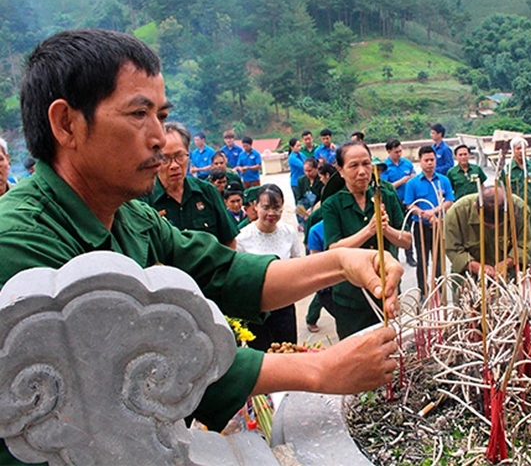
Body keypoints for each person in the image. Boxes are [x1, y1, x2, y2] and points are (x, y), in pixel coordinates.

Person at [0, 29, 401, 465]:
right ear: (67, 124)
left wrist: (341, 262)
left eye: (161, 115)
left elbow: (225, 273)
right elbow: (153, 366)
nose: (159, 137)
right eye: (139, 114)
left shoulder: (131, 217)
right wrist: (320, 369)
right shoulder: (20, 244)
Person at [322, 142, 412, 339]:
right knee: (355, 349)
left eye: (366, 164)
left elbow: (406, 241)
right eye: (354, 166)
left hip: (387, 291)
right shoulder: (332, 205)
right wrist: (369, 230)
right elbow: (334, 249)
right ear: (341, 170)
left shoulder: (386, 196)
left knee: (391, 346)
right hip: (350, 297)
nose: (362, 171)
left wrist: (386, 229)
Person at [141, 122, 238, 248]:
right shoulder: (144, 202)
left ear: (188, 153)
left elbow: (229, 241)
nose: (174, 165)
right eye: (165, 159)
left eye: (180, 156)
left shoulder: (208, 192)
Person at [236, 184, 302, 350]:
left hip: (284, 303)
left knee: (288, 349)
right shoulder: (243, 237)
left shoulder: (288, 232)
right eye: (266, 207)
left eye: (276, 208)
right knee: (261, 353)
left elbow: (296, 262)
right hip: (256, 307)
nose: (271, 213)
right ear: (256, 206)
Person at [405, 145, 455, 297]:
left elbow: (449, 201)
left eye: (432, 160)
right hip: (421, 226)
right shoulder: (412, 183)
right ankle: (423, 291)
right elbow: (409, 204)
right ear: (420, 161)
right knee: (422, 260)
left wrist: (434, 211)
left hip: (439, 224)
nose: (429, 163)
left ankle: (440, 291)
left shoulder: (443, 180)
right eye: (426, 160)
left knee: (439, 260)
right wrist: (424, 214)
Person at [444, 186, 526, 278]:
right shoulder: (457, 213)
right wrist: (477, 267)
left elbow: (524, 245)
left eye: (499, 225)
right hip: (468, 275)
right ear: (476, 206)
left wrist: (507, 262)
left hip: (509, 273)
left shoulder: (520, 209)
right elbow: (453, 250)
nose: (493, 228)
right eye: (487, 224)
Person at [499, 137, 531, 258]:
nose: (521, 151)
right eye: (518, 148)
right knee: (518, 238)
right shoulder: (507, 170)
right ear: (513, 150)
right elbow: (502, 191)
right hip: (516, 211)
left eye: (524, 148)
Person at [381, 138, 417, 266]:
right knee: (394, 229)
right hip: (394, 203)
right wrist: (402, 181)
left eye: (400, 151)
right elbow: (386, 186)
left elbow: (414, 178)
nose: (399, 154)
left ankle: (410, 256)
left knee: (407, 230)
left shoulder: (407, 164)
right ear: (388, 151)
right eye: (396, 152)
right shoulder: (385, 167)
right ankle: (392, 256)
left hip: (408, 202)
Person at [303, 220, 336, 333]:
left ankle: (311, 318)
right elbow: (307, 244)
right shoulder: (316, 225)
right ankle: (311, 318)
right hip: (325, 276)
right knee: (321, 295)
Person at [295, 157, 322, 228]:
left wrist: (313, 209)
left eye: (309, 171)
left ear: (316, 168)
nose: (307, 173)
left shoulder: (321, 179)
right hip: (306, 209)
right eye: (305, 171)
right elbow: (299, 197)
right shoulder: (301, 180)